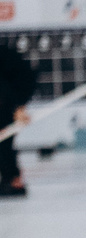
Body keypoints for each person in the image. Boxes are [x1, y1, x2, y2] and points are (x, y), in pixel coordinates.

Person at [0, 38, 35, 197]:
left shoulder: (5, 56)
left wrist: (20, 106)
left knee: (4, 144)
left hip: (6, 107)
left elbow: (26, 76)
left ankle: (12, 179)